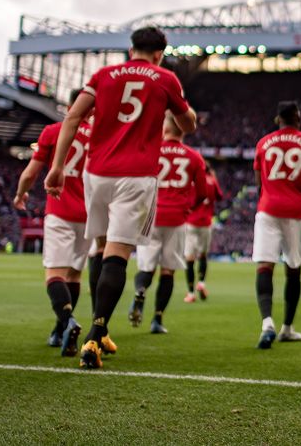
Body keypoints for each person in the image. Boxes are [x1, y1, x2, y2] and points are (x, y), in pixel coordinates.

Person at [45, 26, 196, 369]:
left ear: (131, 50)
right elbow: (186, 125)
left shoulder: (103, 75)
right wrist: (188, 117)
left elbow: (72, 117)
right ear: (159, 54)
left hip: (96, 173)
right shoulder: (164, 78)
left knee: (100, 247)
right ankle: (95, 337)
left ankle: (103, 329)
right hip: (136, 175)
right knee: (118, 253)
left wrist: (57, 167)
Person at [13, 89, 92, 357]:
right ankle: (60, 330)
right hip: (89, 215)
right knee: (75, 275)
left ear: (69, 106)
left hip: (60, 210)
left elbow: (32, 171)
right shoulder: (100, 137)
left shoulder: (53, 131)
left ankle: (67, 322)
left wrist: (20, 193)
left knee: (55, 274)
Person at [252, 101, 301, 348]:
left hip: (267, 209)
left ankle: (267, 323)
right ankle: (287, 328)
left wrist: (267, 199)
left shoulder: (263, 143)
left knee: (265, 266)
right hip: (295, 211)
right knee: (293, 267)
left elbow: (259, 182)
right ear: (297, 117)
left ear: (278, 119)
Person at [129, 114, 207, 334]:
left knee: (146, 267)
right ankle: (157, 319)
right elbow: (202, 193)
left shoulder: (151, 150)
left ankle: (141, 291)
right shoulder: (194, 157)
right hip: (177, 218)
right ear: (183, 130)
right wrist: (188, 207)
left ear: (165, 128)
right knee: (168, 271)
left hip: (150, 216)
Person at [184, 161, 224, 301]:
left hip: (191, 222)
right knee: (203, 255)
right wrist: (214, 179)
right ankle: (201, 283)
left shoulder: (192, 181)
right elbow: (220, 196)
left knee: (189, 258)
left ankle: (190, 293)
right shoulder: (212, 180)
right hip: (206, 223)